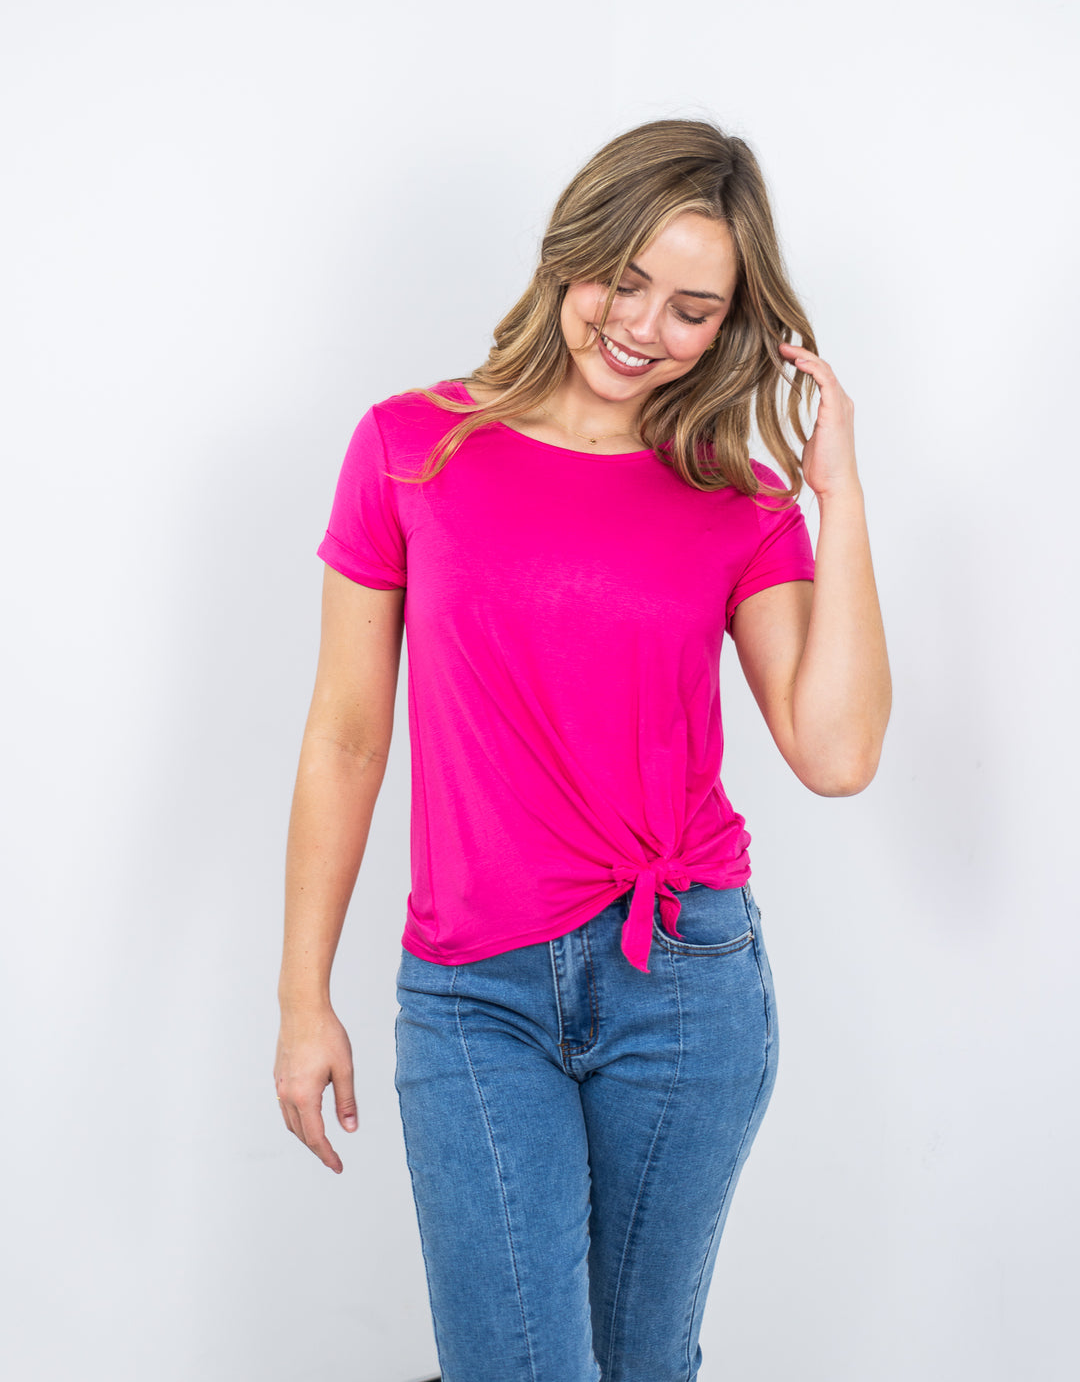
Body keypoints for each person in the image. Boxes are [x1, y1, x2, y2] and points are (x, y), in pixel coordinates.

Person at [274, 118, 892, 1382]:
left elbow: (834, 752)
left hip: (685, 985)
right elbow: (345, 736)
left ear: (729, 328)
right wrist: (302, 997)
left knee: (640, 1364)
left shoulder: (739, 496)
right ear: (573, 254)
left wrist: (840, 491)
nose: (644, 324)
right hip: (470, 997)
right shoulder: (412, 447)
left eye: (693, 308)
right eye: (627, 278)